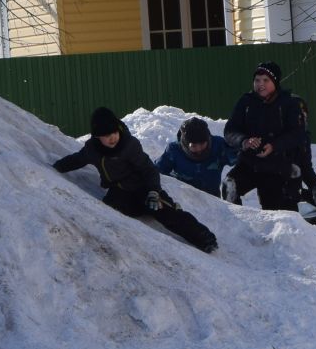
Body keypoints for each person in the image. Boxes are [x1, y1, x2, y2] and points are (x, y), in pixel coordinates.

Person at [53, 108, 217, 253]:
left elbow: (149, 170)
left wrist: (153, 191)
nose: (112, 138)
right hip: (120, 191)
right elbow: (76, 160)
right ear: (97, 137)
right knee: (108, 209)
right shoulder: (92, 150)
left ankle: (204, 238)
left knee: (167, 212)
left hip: (143, 189)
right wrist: (56, 168)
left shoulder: (129, 146)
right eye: (107, 135)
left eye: (114, 133)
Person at [223, 62, 310, 210]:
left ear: (275, 82)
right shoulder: (246, 102)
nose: (260, 84)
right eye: (257, 80)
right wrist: (244, 141)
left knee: (277, 214)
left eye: (266, 80)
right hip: (250, 163)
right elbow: (230, 130)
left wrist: (274, 146)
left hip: (277, 167)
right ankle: (237, 225)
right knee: (230, 185)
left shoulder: (288, 103)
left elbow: (298, 134)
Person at [154, 117, 234, 197]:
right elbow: (156, 171)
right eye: (194, 146)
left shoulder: (219, 145)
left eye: (202, 144)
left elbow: (240, 158)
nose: (199, 149)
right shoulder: (174, 150)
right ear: (185, 144)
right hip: (185, 200)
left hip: (212, 201)